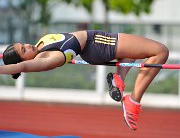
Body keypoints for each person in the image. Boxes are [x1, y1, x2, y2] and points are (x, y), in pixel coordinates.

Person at [1, 30, 169, 131]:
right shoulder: (46, 59)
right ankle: (133, 101)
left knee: (135, 52)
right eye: (23, 49)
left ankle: (118, 79)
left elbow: (20, 62)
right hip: (97, 43)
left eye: (23, 43)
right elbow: (20, 67)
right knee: (160, 51)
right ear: (24, 60)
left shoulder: (40, 45)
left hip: (94, 44)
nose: (27, 45)